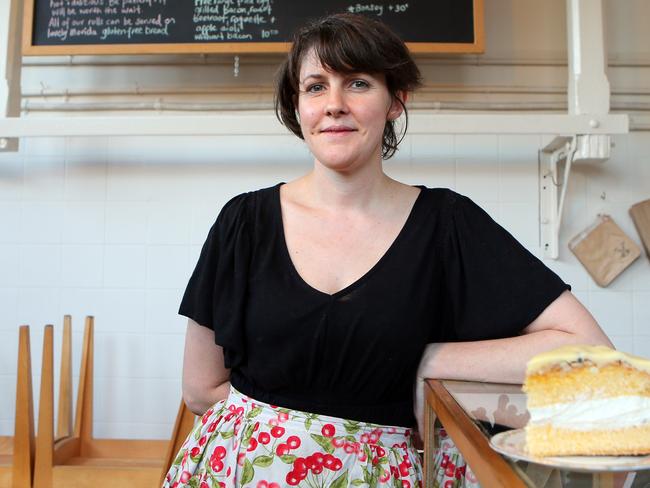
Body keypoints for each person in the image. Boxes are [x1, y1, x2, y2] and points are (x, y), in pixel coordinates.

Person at [162, 13, 612, 488]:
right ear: (297, 107)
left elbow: (588, 350)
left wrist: (433, 359)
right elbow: (200, 388)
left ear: (396, 100)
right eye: (315, 87)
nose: (334, 104)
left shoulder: (448, 224)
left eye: (357, 83)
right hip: (239, 472)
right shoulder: (243, 221)